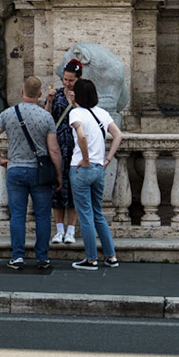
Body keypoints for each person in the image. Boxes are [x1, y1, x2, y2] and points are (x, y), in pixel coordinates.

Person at [0, 75, 62, 269]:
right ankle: (42, 257)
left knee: (18, 215)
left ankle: (17, 256)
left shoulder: (8, 113)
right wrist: (59, 175)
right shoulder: (46, 117)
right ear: (40, 94)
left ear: (21, 91)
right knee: (42, 216)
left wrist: (0, 159)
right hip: (40, 173)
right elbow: (54, 150)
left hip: (16, 170)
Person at [67, 78, 122, 271]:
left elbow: (81, 135)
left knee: (85, 215)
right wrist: (107, 158)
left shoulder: (75, 113)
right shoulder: (102, 113)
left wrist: (85, 158)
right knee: (98, 213)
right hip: (99, 169)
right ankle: (111, 255)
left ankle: (91, 259)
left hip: (81, 169)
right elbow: (118, 135)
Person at [44, 60, 84, 245]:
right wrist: (49, 101)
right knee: (58, 189)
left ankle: (71, 230)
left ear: (78, 79)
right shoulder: (57, 94)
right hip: (58, 147)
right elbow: (46, 118)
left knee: (74, 189)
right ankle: (59, 230)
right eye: (65, 79)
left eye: (71, 80)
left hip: (76, 148)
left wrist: (73, 103)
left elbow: (86, 117)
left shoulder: (84, 95)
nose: (67, 83)